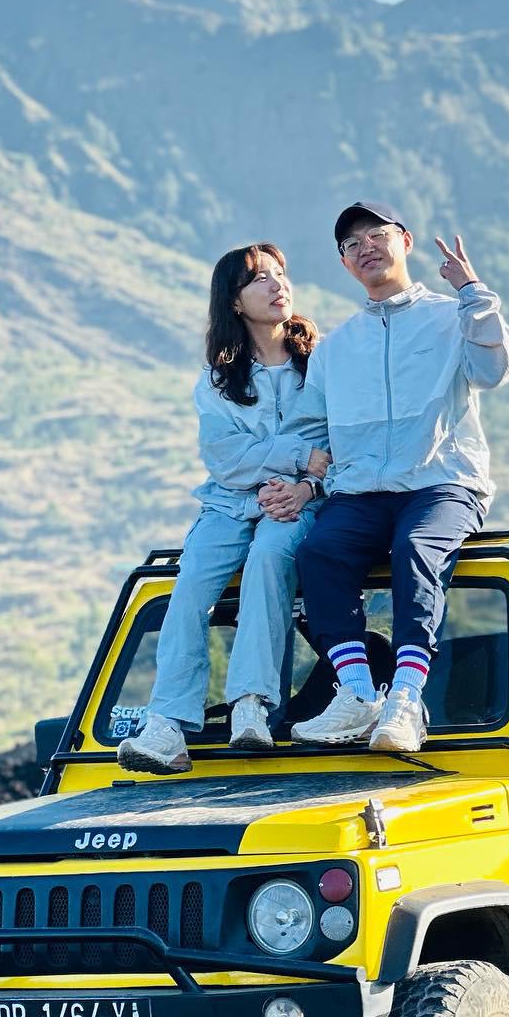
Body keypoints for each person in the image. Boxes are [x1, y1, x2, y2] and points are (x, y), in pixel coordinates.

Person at [285, 200, 509, 755]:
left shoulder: (452, 316)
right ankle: (358, 691)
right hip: (361, 492)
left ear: (405, 241)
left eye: (376, 234)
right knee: (318, 554)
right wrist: (303, 480)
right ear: (345, 264)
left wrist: (474, 293)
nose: (365, 247)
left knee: (416, 550)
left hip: (443, 484)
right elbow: (313, 431)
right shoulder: (335, 348)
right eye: (352, 244)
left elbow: (494, 370)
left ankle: (407, 700)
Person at [118, 242, 330, 776]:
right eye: (260, 279)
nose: (277, 284)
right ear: (234, 302)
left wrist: (304, 487)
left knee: (268, 562)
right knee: (189, 588)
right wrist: (299, 456)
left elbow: (344, 451)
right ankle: (168, 726)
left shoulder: (324, 367)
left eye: (281, 274)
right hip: (226, 506)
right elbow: (225, 460)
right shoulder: (217, 380)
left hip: (297, 506)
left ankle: (251, 706)